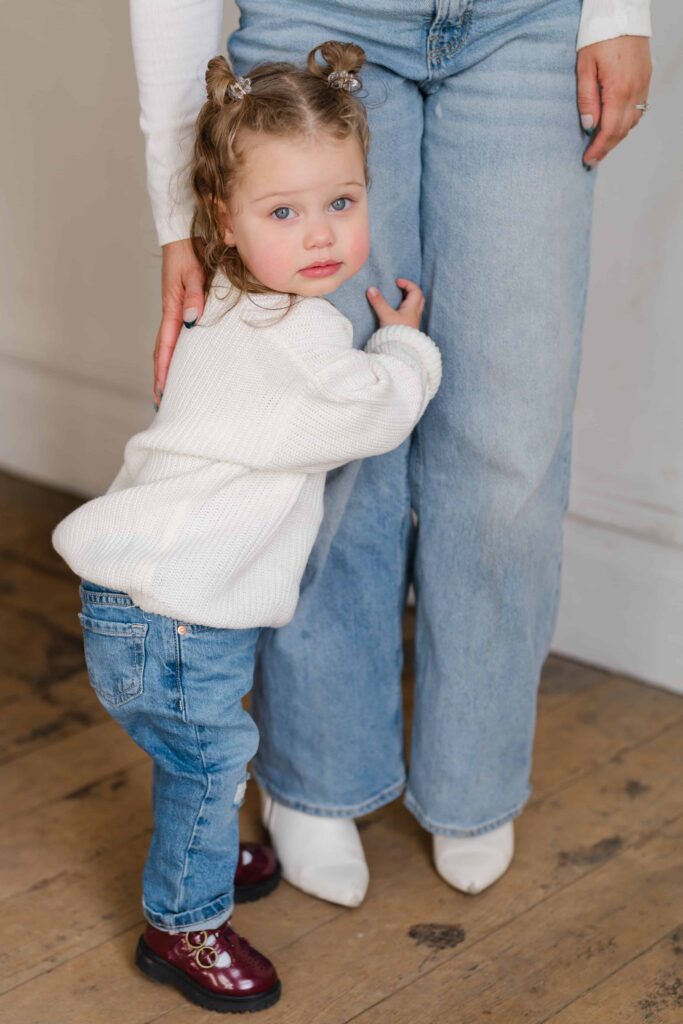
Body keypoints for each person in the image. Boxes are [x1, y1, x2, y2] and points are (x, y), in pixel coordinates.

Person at [130, 0, 653, 906]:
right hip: (315, 17)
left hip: (528, 25)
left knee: (509, 446)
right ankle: (315, 773)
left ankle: (475, 779)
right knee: (325, 445)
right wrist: (178, 217)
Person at [52, 42, 441, 1013]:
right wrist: (404, 341)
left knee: (197, 755)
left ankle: (205, 835)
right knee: (210, 757)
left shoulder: (226, 301)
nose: (319, 236)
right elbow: (381, 407)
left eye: (339, 204)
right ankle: (181, 923)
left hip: (134, 604)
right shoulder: (302, 346)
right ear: (223, 221)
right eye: (284, 212)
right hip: (178, 620)